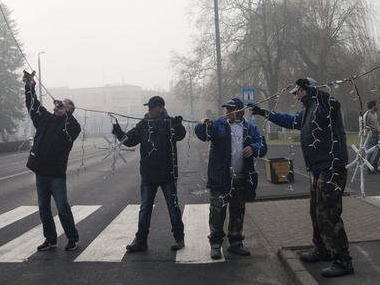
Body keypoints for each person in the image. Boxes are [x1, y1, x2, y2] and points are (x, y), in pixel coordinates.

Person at [251, 79, 353, 278]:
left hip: (332, 167)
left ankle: (343, 261)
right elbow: (289, 120)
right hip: (319, 169)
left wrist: (313, 90)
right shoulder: (307, 112)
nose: (297, 97)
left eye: (298, 93)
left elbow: (335, 105)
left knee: (328, 213)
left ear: (306, 91)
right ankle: (322, 250)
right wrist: (263, 112)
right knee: (316, 212)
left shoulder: (323, 106)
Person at [195, 98, 268, 259]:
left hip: (241, 179)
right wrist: (201, 125)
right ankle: (215, 244)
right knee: (217, 212)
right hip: (220, 179)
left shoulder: (250, 128)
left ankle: (235, 242)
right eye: (226, 109)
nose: (227, 112)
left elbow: (263, 145)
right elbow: (203, 136)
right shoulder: (218, 125)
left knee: (238, 212)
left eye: (231, 109)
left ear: (241, 111)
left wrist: (254, 147)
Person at [111, 96, 186, 252]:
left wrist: (178, 126)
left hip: (167, 174)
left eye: (152, 107)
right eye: (148, 107)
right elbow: (130, 140)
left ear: (161, 107)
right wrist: (119, 132)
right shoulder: (143, 124)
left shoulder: (170, 122)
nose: (149, 110)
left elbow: (180, 135)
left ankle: (179, 238)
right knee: (145, 208)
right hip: (148, 174)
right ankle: (141, 240)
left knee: (173, 208)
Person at [23, 71, 82, 252]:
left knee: (62, 208)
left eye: (63, 107)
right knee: (43, 209)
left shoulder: (69, 127)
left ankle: (72, 238)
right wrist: (29, 86)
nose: (57, 108)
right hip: (41, 172)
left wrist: (67, 114)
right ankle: (50, 239)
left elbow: (75, 127)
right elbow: (33, 106)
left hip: (56, 175)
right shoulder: (46, 119)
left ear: (68, 111)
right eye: (58, 106)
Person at [362, 99, 380, 173]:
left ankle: (374, 164)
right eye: (376, 105)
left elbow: (376, 124)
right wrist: (376, 129)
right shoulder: (367, 114)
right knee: (370, 152)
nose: (377, 106)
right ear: (373, 106)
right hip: (370, 136)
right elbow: (366, 126)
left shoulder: (375, 114)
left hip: (377, 136)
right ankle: (368, 169)